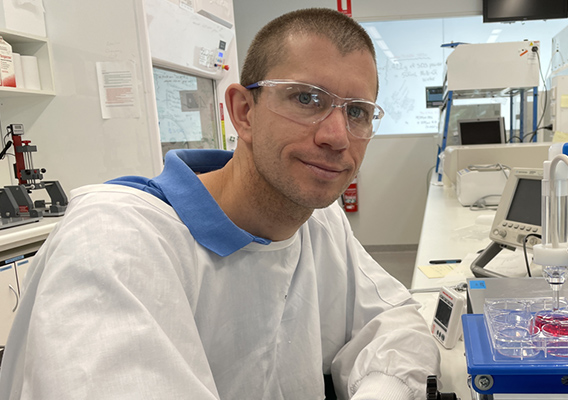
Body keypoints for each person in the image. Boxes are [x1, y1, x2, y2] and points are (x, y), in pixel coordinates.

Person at [0, 8, 440, 400]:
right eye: (307, 99)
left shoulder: (320, 222)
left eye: (358, 112)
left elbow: (395, 322)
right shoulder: (116, 241)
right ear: (244, 112)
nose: (337, 136)